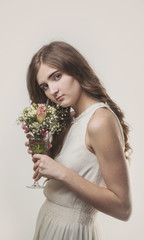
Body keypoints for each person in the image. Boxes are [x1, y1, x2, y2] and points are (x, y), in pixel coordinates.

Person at [25, 41, 132, 240]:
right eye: (45, 86)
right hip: (49, 220)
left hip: (71, 232)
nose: (53, 91)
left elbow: (122, 208)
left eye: (57, 76)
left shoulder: (99, 121)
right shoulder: (74, 117)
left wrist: (61, 172)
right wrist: (48, 159)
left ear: (76, 68)